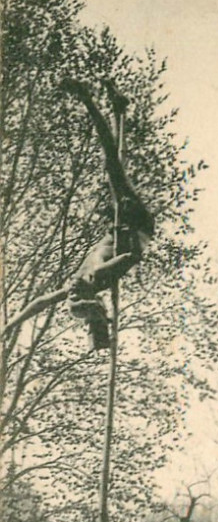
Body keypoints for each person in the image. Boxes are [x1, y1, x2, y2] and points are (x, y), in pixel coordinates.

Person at [59, 78, 154, 349]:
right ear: (92, 298)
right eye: (76, 295)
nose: (71, 290)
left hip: (124, 224)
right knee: (111, 162)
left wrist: (9, 325)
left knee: (113, 162)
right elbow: (134, 256)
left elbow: (41, 302)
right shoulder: (100, 276)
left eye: (71, 295)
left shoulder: (79, 282)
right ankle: (87, 99)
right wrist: (125, 235)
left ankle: (118, 109)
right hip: (136, 225)